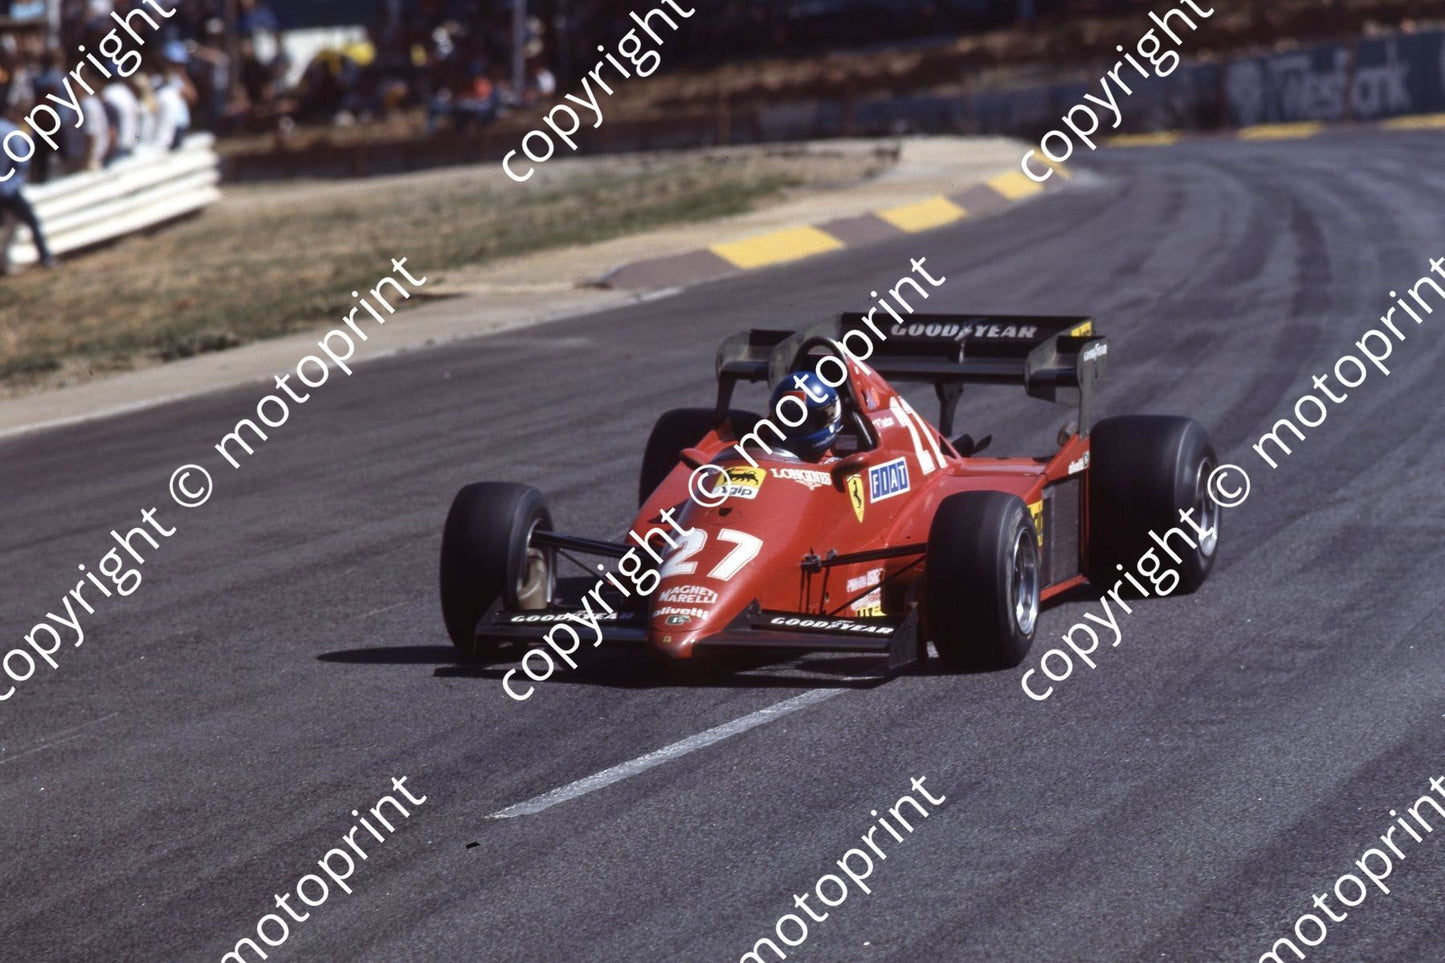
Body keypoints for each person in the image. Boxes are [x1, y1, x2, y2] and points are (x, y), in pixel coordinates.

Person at [0, 113, 58, 273]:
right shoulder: (10, 131)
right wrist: (13, 184)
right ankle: (45, 257)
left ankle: (5, 261)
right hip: (9, 189)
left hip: (6, 188)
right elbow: (22, 161)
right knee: (32, 222)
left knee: (11, 225)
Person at [767, 371, 844, 461]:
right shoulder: (762, 437)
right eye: (787, 419)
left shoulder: (842, 463)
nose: (795, 428)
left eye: (804, 421)